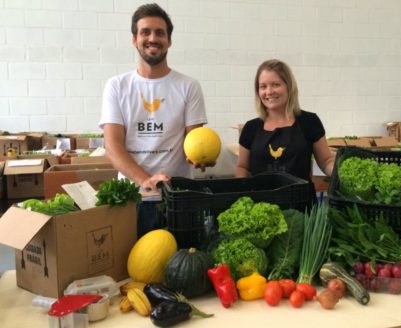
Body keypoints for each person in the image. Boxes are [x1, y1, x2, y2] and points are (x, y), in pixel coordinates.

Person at [99, 3, 209, 238]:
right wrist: (146, 180)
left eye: (160, 33)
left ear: (169, 40)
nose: (153, 38)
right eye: (145, 32)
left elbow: (194, 141)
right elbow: (113, 146)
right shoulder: (117, 86)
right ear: (134, 39)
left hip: (178, 196)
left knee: (184, 266)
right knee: (133, 271)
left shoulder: (188, 86)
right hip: (132, 198)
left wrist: (200, 158)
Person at [236, 59, 336, 200]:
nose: (269, 92)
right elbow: (242, 167)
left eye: (276, 85)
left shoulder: (309, 122)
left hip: (301, 207)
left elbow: (326, 161)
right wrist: (244, 191)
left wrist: (340, 171)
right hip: (261, 205)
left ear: (289, 86)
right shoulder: (251, 128)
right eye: (263, 86)